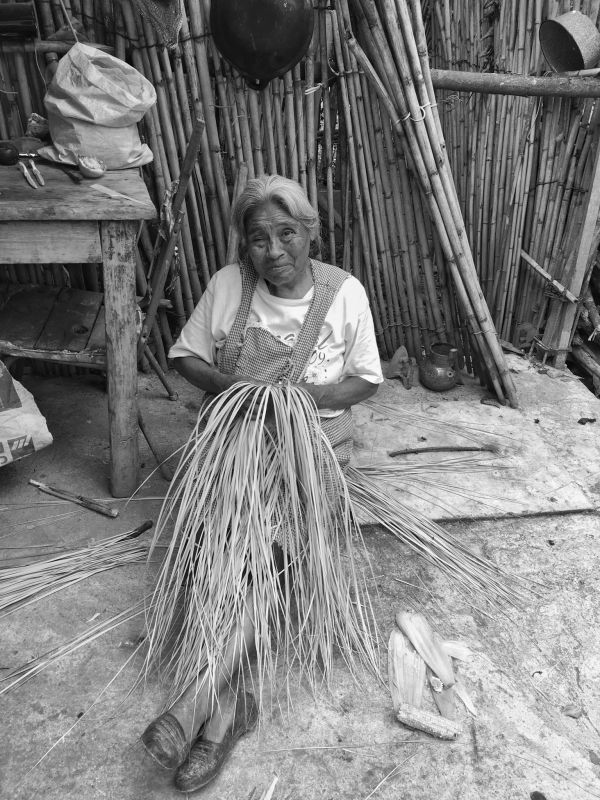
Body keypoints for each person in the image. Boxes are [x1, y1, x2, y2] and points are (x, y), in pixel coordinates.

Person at [141, 174, 384, 793]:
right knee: (228, 556)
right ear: (242, 246)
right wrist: (242, 396)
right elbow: (184, 356)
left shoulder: (345, 294)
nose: (272, 250)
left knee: (275, 557)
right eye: (257, 239)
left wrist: (306, 400)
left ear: (310, 233)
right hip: (235, 446)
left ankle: (203, 706)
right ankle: (230, 708)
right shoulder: (228, 286)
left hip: (312, 450)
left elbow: (367, 379)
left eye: (286, 234)